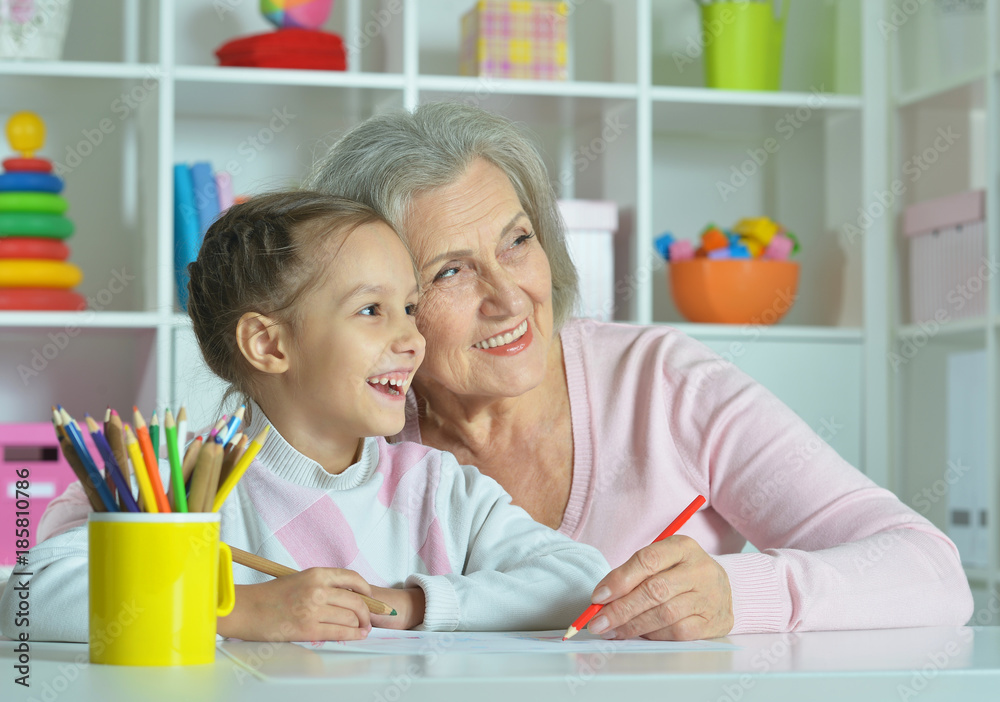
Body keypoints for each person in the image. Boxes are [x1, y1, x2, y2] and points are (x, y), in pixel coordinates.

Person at [303, 101, 974, 641]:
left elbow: (931, 571)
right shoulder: (349, 424)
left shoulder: (663, 384)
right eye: (451, 271)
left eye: (518, 241)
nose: (510, 297)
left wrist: (736, 594)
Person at [0, 191, 609, 643]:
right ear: (268, 344)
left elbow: (580, 577)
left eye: (409, 308)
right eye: (371, 310)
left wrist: (411, 605)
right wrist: (238, 610)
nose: (411, 339)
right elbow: (27, 599)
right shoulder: (180, 483)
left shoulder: (438, 487)